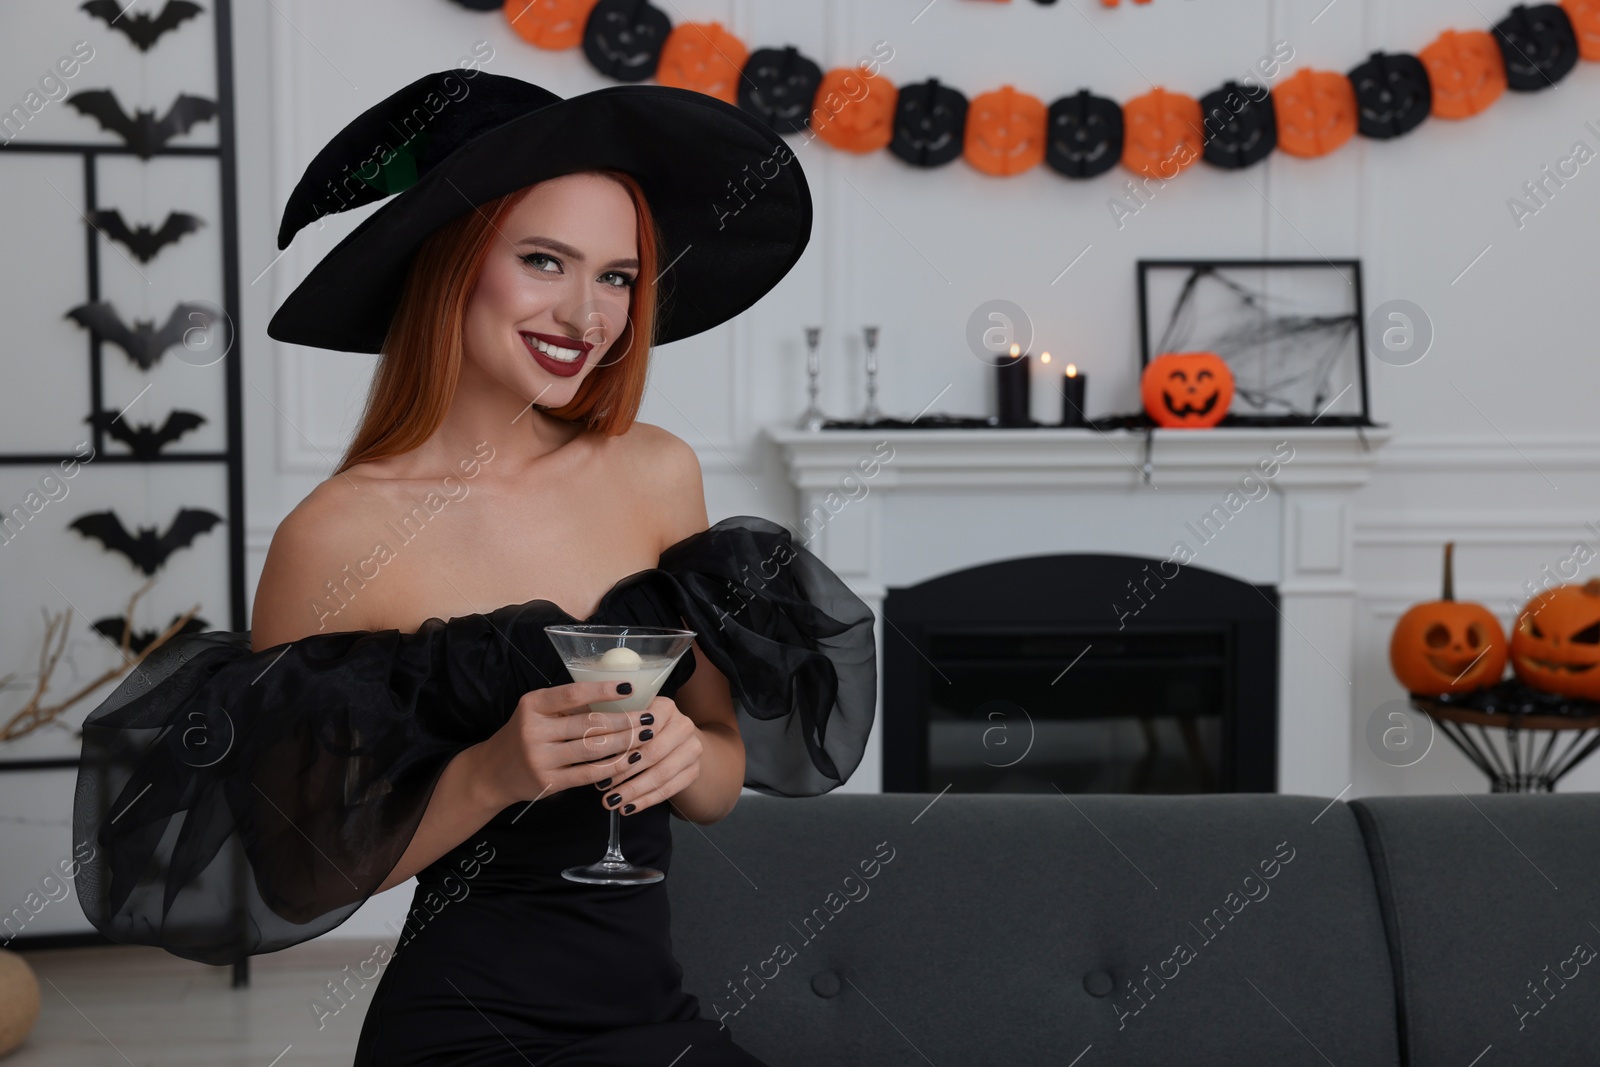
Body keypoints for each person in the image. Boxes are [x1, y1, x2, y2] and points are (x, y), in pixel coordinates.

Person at [72, 71, 877, 1066]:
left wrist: (683, 749)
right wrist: (489, 772)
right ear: (452, 265)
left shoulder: (656, 473)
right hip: (466, 1027)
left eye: (618, 277)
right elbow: (297, 870)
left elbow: (715, 778)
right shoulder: (333, 536)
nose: (586, 313)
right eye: (545, 261)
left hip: (652, 1017)